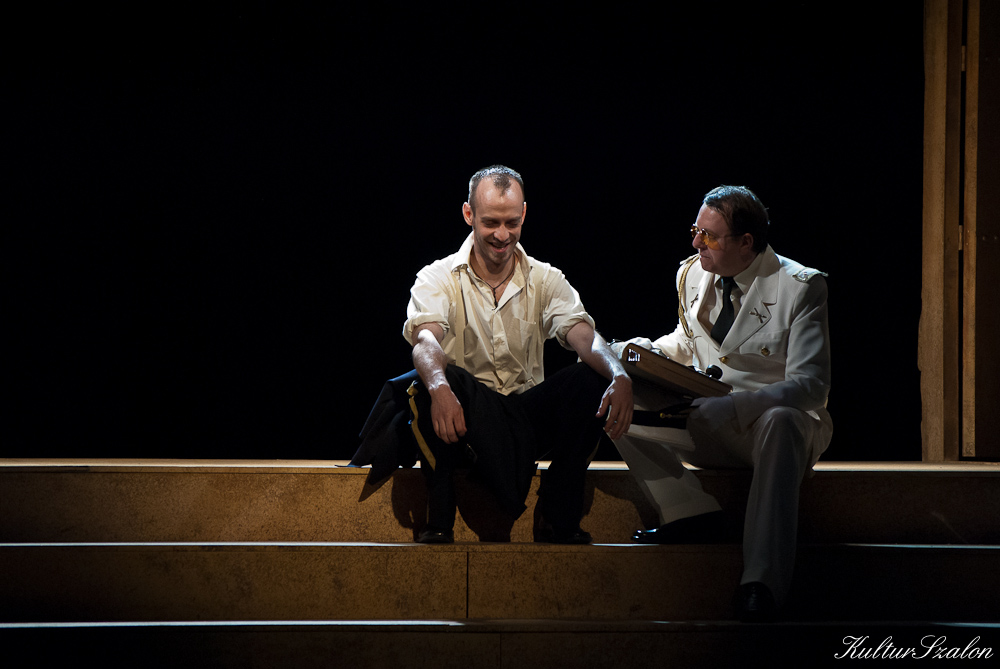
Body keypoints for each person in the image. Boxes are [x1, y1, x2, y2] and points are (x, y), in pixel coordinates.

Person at [352, 165, 632, 545]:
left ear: (524, 214)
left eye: (511, 223)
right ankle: (439, 517)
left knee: (590, 377)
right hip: (465, 419)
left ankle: (558, 516)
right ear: (469, 214)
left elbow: (584, 335)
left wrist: (619, 374)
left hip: (524, 419)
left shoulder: (546, 278)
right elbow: (426, 341)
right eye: (491, 223)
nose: (502, 235)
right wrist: (440, 388)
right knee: (431, 379)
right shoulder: (437, 277)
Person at [611, 185, 832, 622]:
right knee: (616, 397)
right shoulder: (692, 273)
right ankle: (689, 512)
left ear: (746, 242)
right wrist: (645, 352)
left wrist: (736, 407)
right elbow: (688, 341)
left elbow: (811, 386)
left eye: (709, 236)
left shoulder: (800, 287)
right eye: (696, 231)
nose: (697, 242)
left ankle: (761, 583)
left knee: (783, 420)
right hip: (709, 419)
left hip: (769, 432)